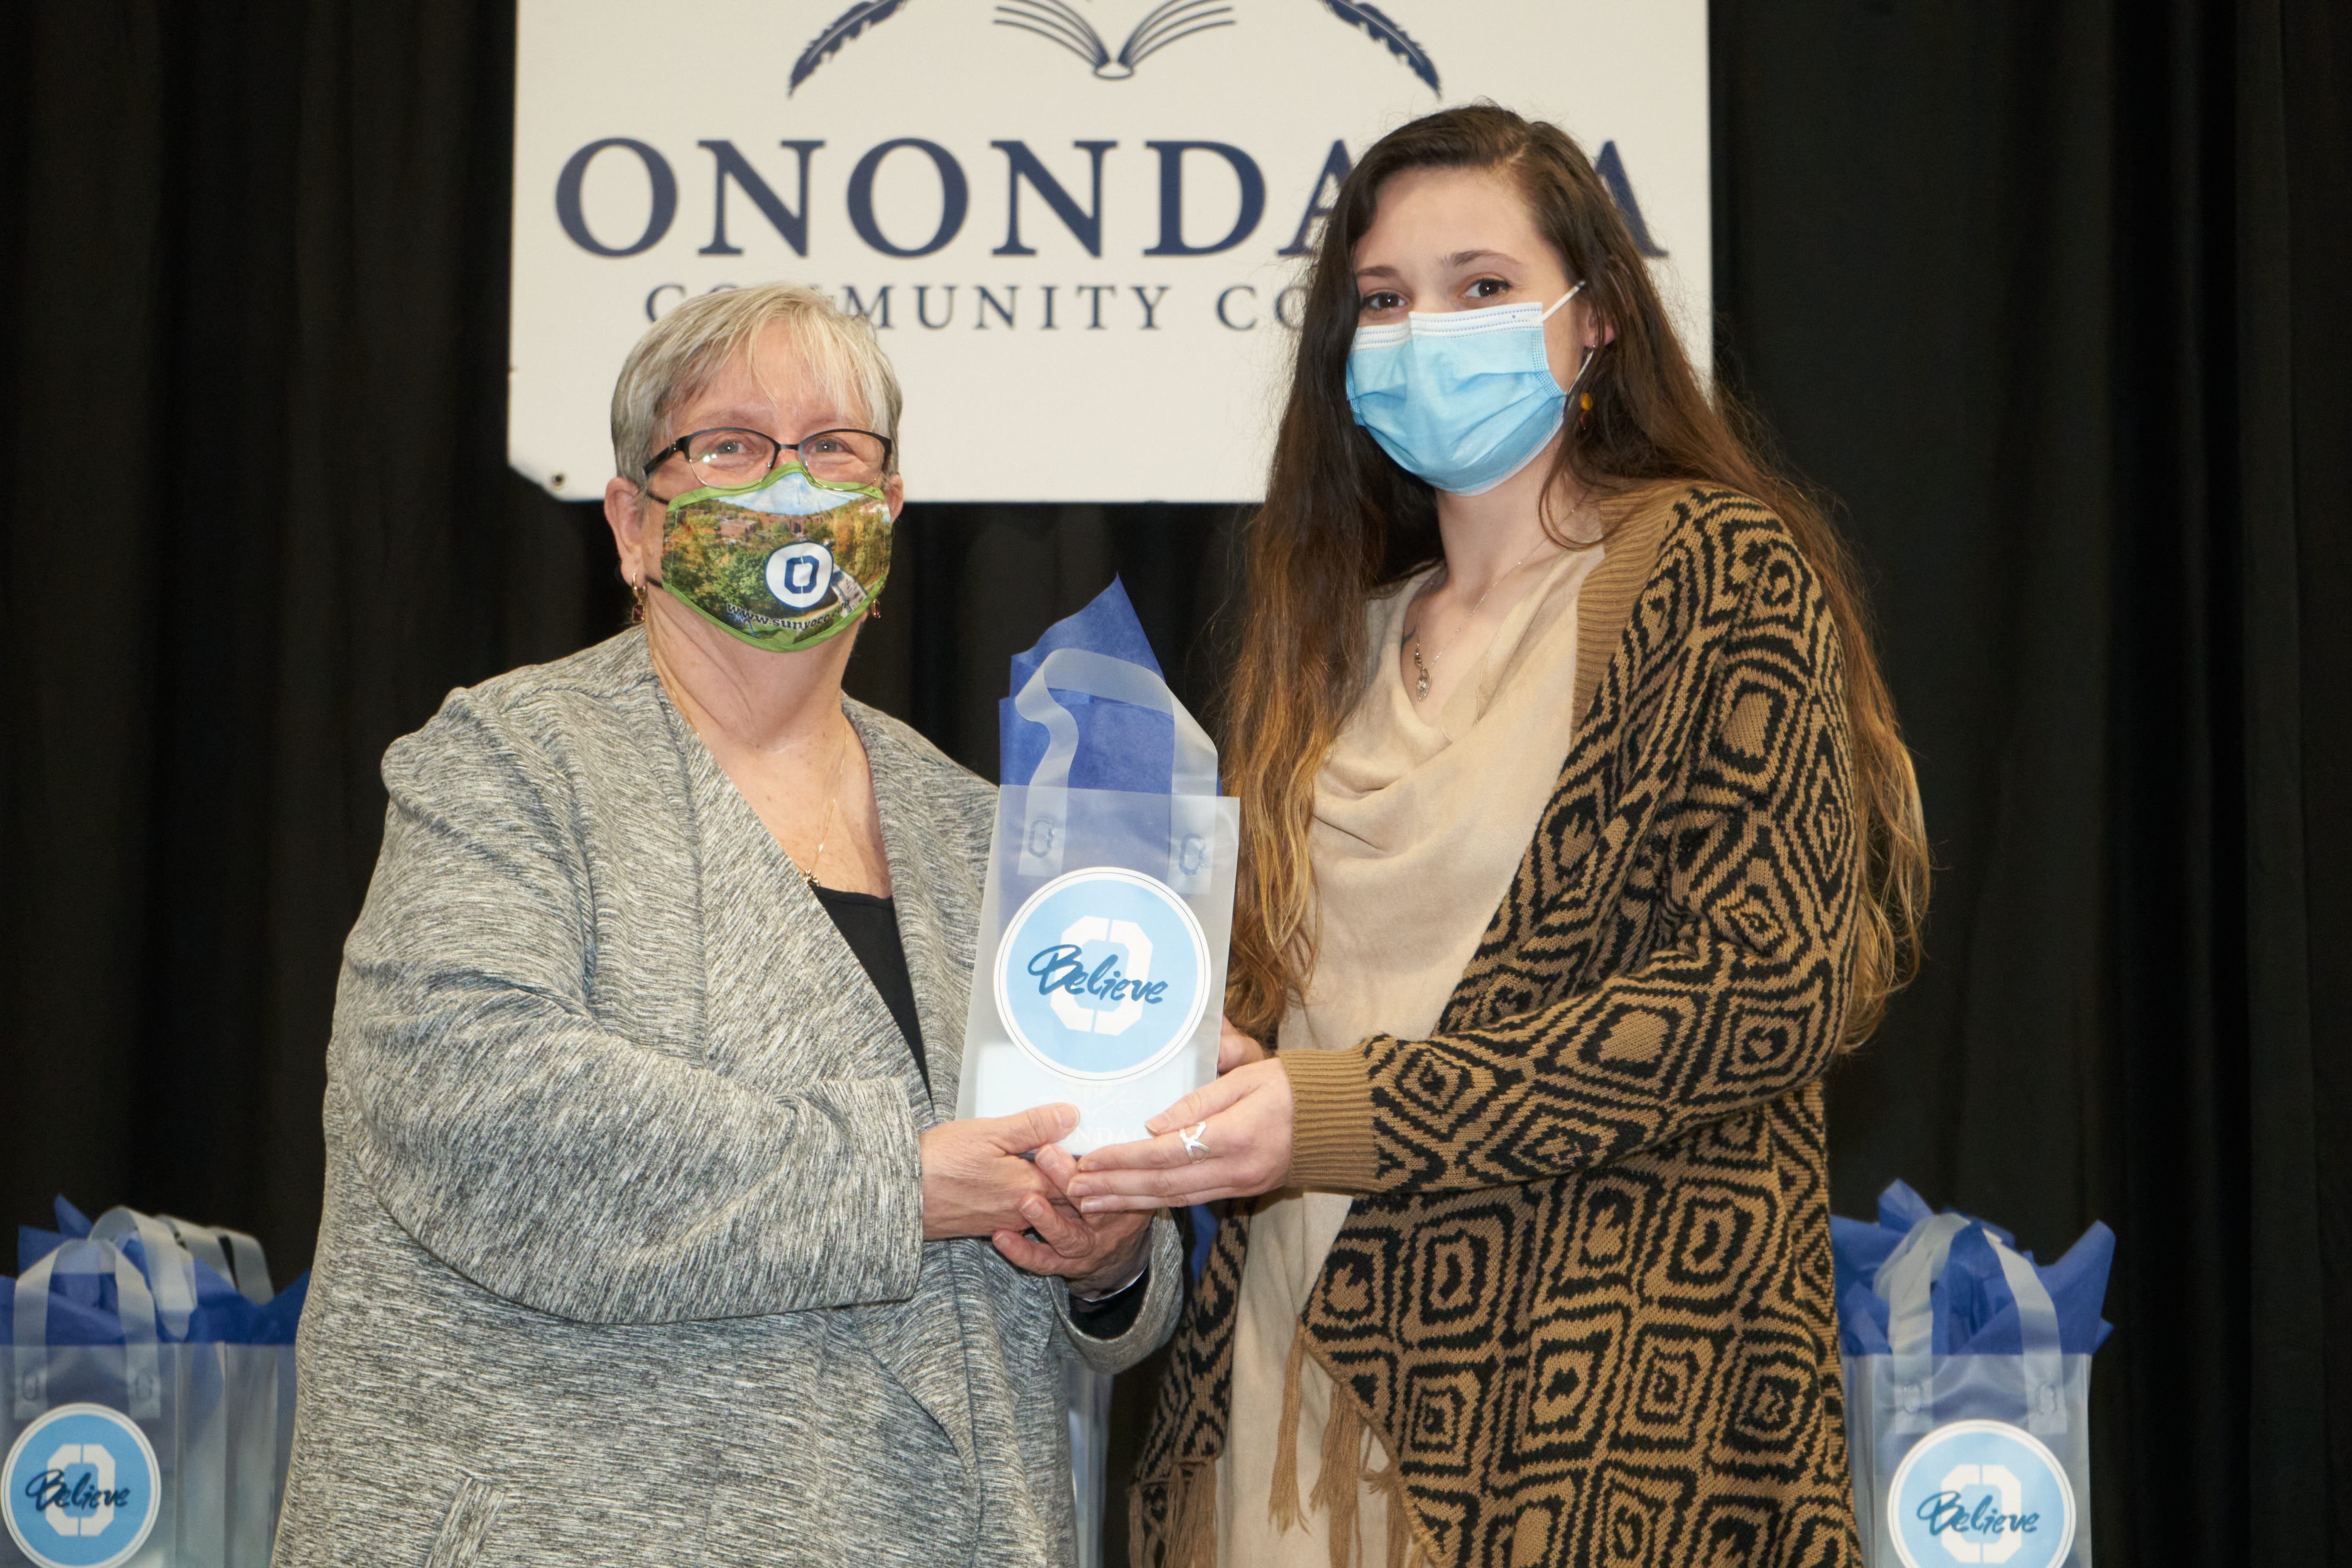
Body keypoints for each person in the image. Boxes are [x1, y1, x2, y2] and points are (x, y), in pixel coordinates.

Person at [1071, 106, 1930, 1567]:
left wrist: (1336, 1112)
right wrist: (1206, 1076)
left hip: (1585, 1417)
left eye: (1479, 287)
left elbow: (1757, 990)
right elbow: (1309, 1022)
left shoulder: (1712, 573)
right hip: (1287, 1397)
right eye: (1384, 301)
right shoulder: (1327, 650)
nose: (1425, 333)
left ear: (1591, 321)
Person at [274, 283, 1178, 1566]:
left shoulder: (995, 836)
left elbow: (1089, 1258)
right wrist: (895, 1183)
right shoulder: (506, 763)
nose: (791, 487)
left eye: (833, 449)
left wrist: (1111, 1246)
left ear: (886, 511)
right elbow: (476, 1109)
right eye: (730, 444)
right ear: (634, 524)